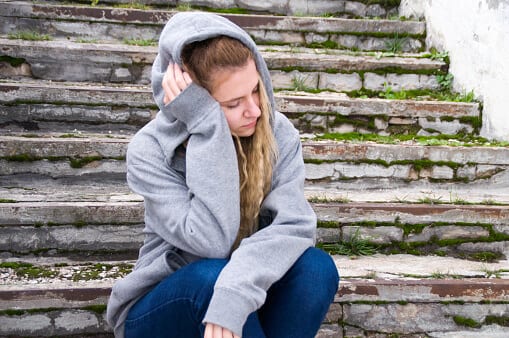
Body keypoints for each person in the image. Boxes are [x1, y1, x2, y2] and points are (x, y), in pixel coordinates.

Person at [106, 12, 339, 338]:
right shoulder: (151, 151)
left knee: (316, 269)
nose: (255, 110)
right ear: (193, 99)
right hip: (165, 305)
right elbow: (211, 242)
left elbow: (294, 226)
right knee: (211, 278)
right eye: (233, 103)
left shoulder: (278, 134)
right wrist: (205, 126)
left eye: (256, 90)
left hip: (239, 289)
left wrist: (235, 291)